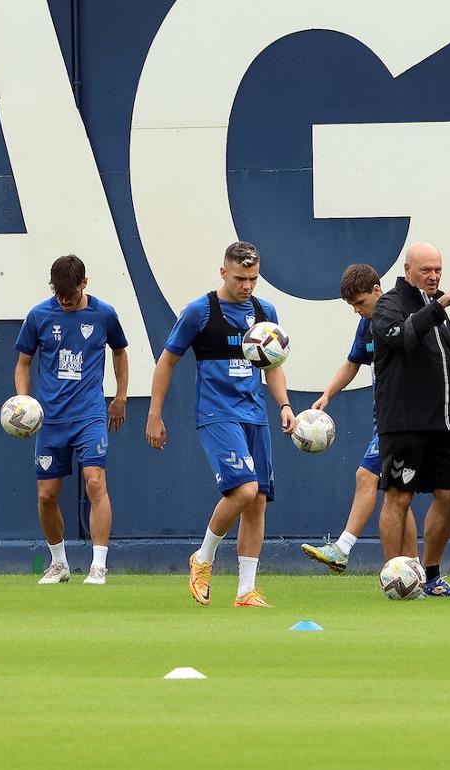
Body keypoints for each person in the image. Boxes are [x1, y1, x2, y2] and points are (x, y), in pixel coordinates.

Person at [147, 241, 295, 608]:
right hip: (217, 414)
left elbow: (272, 365)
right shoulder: (200, 311)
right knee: (243, 491)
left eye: (254, 279)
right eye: (241, 278)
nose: (247, 286)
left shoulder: (265, 310)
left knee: (257, 500)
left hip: (254, 415)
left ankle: (246, 591)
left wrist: (285, 405)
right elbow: (166, 362)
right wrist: (154, 413)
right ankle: (202, 558)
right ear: (223, 272)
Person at [14, 255, 128, 586]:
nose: (65, 301)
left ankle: (98, 565)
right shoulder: (39, 315)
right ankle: (59, 563)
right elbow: (23, 362)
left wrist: (120, 397)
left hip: (89, 415)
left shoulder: (104, 314)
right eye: (60, 295)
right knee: (47, 495)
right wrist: (23, 400)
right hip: (50, 420)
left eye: (71, 295)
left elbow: (120, 352)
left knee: (95, 482)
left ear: (84, 284)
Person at [300, 264, 418, 572]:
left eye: (359, 303)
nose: (356, 310)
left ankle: (342, 548)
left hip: (408, 418)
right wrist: (327, 394)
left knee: (367, 477)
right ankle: (418, 572)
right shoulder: (367, 324)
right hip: (387, 417)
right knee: (398, 495)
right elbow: (353, 362)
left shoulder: (403, 316)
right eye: (351, 305)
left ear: (377, 290)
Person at [371, 242, 450, 597]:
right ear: (407, 269)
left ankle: (431, 577)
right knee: (399, 496)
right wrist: (439, 307)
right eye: (426, 270)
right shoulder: (389, 305)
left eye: (438, 270)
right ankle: (393, 578)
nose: (433, 277)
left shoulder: (435, 305)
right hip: (403, 421)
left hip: (440, 421)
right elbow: (401, 338)